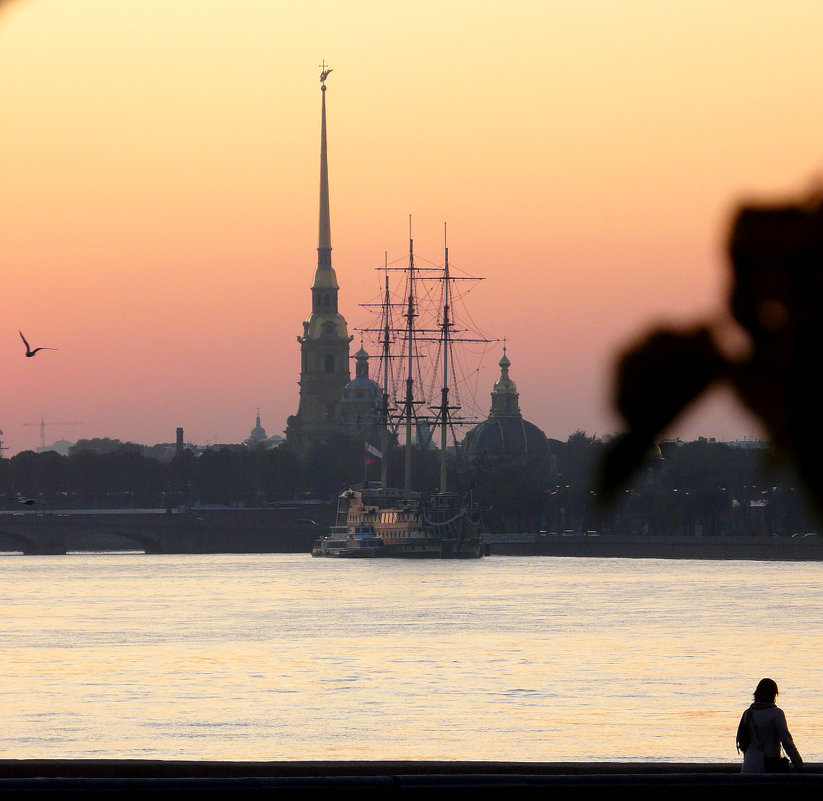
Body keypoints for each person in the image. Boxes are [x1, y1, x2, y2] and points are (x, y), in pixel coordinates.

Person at [737, 678, 803, 773]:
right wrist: (798, 764)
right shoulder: (776, 713)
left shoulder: (747, 713)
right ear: (773, 694)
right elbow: (787, 743)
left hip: (748, 766)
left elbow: (742, 743)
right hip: (769, 767)